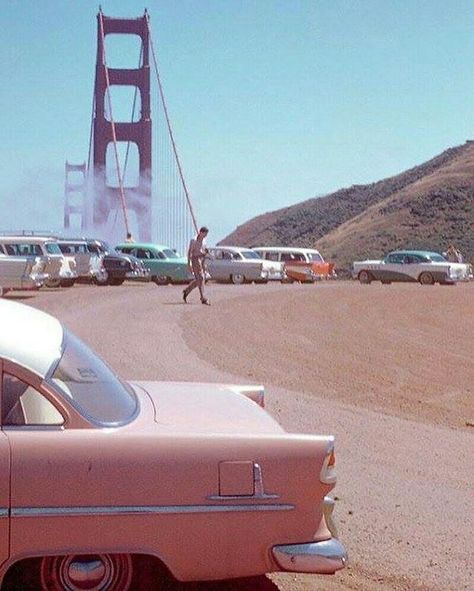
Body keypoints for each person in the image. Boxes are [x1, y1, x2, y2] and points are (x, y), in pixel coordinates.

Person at [183, 227, 210, 305]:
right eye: (205, 234)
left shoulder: (204, 240)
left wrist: (205, 254)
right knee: (201, 278)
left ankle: (187, 290)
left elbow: (203, 250)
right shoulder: (194, 240)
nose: (205, 236)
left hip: (201, 260)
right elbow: (190, 252)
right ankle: (203, 298)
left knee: (201, 279)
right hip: (195, 260)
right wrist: (189, 264)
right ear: (201, 232)